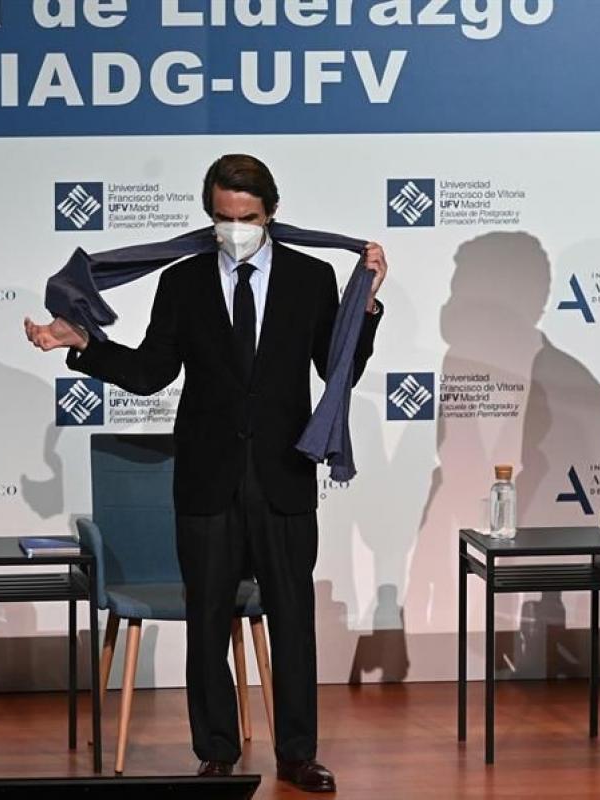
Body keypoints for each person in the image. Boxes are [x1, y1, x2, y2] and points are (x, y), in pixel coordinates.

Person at [25, 154, 387, 791]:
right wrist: (84, 345)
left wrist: (368, 305)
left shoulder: (311, 277)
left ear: (271, 213)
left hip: (283, 477)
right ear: (209, 215)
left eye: (247, 217)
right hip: (206, 478)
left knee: (293, 622)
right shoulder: (183, 281)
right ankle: (216, 751)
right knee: (208, 621)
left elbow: (339, 369)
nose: (235, 229)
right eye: (223, 218)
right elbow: (151, 373)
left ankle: (297, 755)